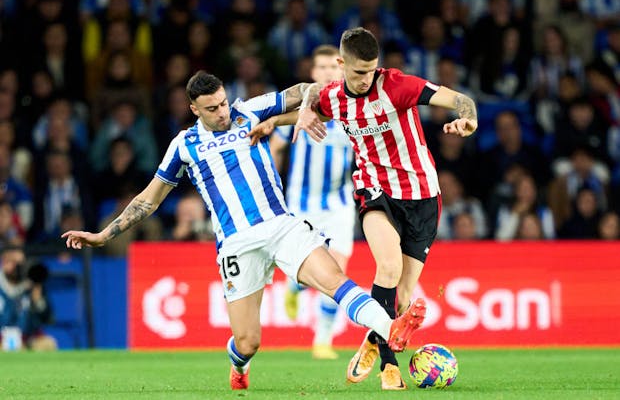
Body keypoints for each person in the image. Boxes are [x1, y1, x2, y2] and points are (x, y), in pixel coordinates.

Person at [61, 71, 426, 390]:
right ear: (194, 109)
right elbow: (149, 199)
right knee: (248, 341)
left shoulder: (248, 110)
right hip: (237, 244)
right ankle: (239, 365)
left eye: (222, 103)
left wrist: (325, 95)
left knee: (334, 280)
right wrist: (104, 234)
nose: (222, 112)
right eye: (212, 108)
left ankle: (389, 328)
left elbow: (301, 90)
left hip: (282, 225)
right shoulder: (184, 146)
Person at [295, 27, 478, 390]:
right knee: (388, 265)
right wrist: (297, 113)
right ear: (341, 64)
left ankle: (372, 340)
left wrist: (467, 119)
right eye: (359, 72)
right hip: (374, 189)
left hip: (422, 193)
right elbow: (310, 95)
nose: (366, 80)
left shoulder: (397, 85)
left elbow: (461, 100)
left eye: (371, 70)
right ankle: (388, 369)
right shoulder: (333, 98)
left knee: (405, 298)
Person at [267, 45, 355, 360]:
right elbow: (275, 149)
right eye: (322, 67)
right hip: (301, 205)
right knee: (303, 268)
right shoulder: (299, 112)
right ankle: (295, 288)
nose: (329, 72)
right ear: (313, 73)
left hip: (340, 203)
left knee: (337, 269)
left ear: (342, 71)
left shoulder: (351, 113)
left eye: (334, 67)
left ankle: (323, 340)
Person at [0, 244, 57, 351]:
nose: (18, 268)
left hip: (27, 340)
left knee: (48, 343)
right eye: (13, 262)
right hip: (2, 340)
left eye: (21, 264)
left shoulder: (31, 285)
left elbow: (48, 318)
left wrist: (38, 300)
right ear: (4, 262)